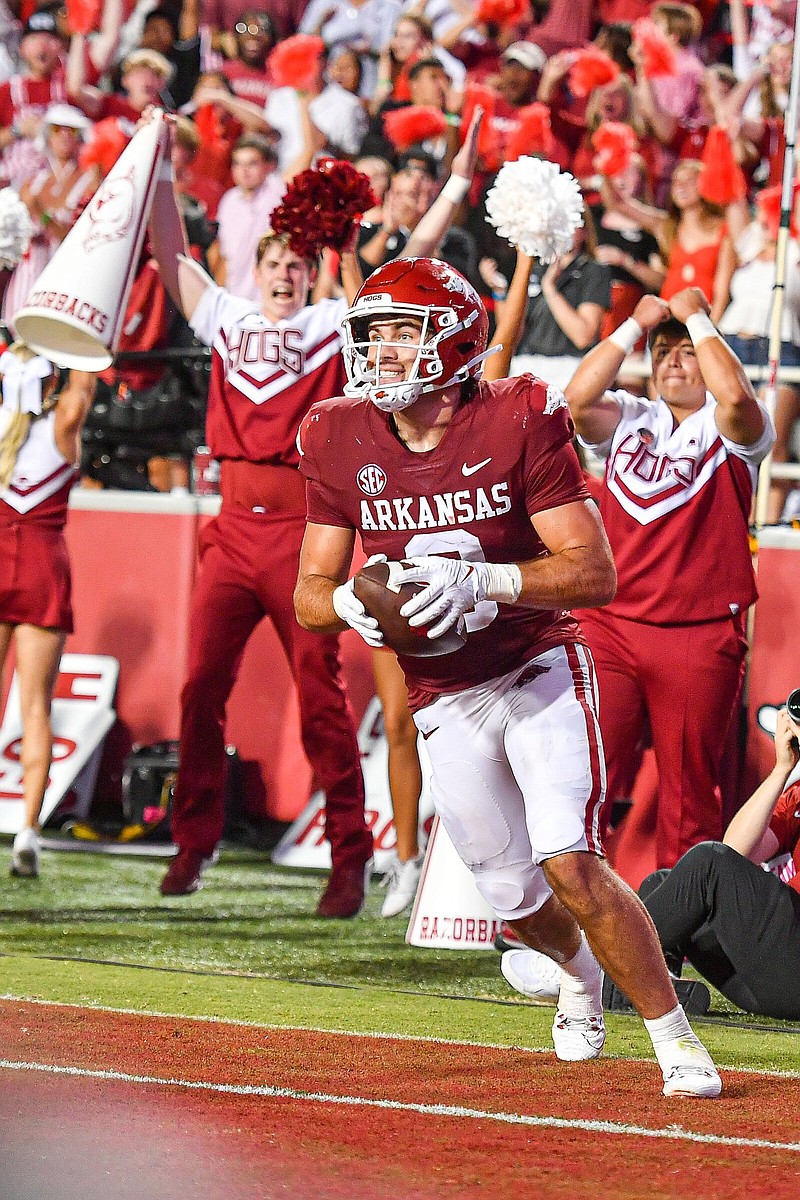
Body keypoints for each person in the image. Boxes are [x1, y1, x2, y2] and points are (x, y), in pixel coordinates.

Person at [293, 256, 722, 1097]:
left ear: (453, 344)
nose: (378, 350)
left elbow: (594, 574)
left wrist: (486, 580)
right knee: (513, 898)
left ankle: (675, 1039)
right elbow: (308, 592)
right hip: (440, 694)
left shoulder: (520, 414)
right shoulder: (336, 434)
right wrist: (350, 600)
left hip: (537, 667)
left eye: (399, 333)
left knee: (569, 858)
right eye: (372, 332)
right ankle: (575, 972)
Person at [146, 120, 373, 918]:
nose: (285, 273)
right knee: (200, 685)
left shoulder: (332, 324)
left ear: (314, 274)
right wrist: (159, 160)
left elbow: (389, 286)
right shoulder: (229, 319)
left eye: (298, 265)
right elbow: (171, 252)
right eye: (274, 262)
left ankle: (351, 856)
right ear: (254, 267)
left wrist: (436, 194)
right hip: (231, 528)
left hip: (302, 531)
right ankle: (192, 840)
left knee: (321, 696)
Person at [564, 288, 775, 872]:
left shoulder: (736, 428)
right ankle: (571, 923)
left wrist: (698, 319)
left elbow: (733, 392)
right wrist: (635, 324)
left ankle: (674, 939)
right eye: (664, 352)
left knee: (689, 801)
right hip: (610, 626)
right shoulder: (631, 416)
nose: (674, 361)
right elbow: (576, 400)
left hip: (697, 636)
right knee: (582, 776)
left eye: (687, 352)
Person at [619, 703, 800, 1021]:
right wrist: (781, 770)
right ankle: (655, 992)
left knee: (706, 864)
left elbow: (716, 865)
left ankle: (594, 969)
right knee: (664, 885)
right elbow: (737, 851)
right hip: (771, 974)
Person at [0, 344, 94, 877]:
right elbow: (86, 380)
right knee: (35, 705)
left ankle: (28, 833)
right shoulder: (63, 423)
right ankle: (27, 832)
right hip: (41, 568)